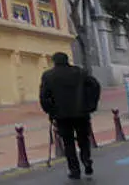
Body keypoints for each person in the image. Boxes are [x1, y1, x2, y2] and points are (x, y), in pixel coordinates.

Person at [39, 52, 101, 180]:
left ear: (54, 61)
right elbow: (95, 86)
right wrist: (91, 104)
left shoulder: (48, 76)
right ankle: (86, 159)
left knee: (68, 143)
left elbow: (44, 97)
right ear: (67, 60)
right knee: (83, 139)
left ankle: (74, 170)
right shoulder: (80, 72)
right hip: (81, 113)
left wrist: (50, 111)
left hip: (62, 116)